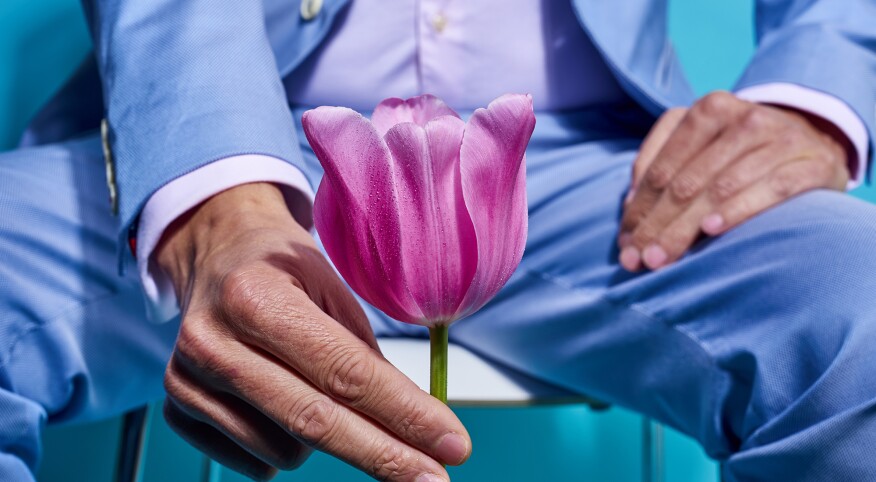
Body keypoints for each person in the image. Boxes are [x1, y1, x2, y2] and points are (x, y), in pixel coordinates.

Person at [1, 0, 875, 480]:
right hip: (242, 144)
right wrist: (216, 187)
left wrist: (814, 100)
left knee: (861, 310)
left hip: (595, 174)